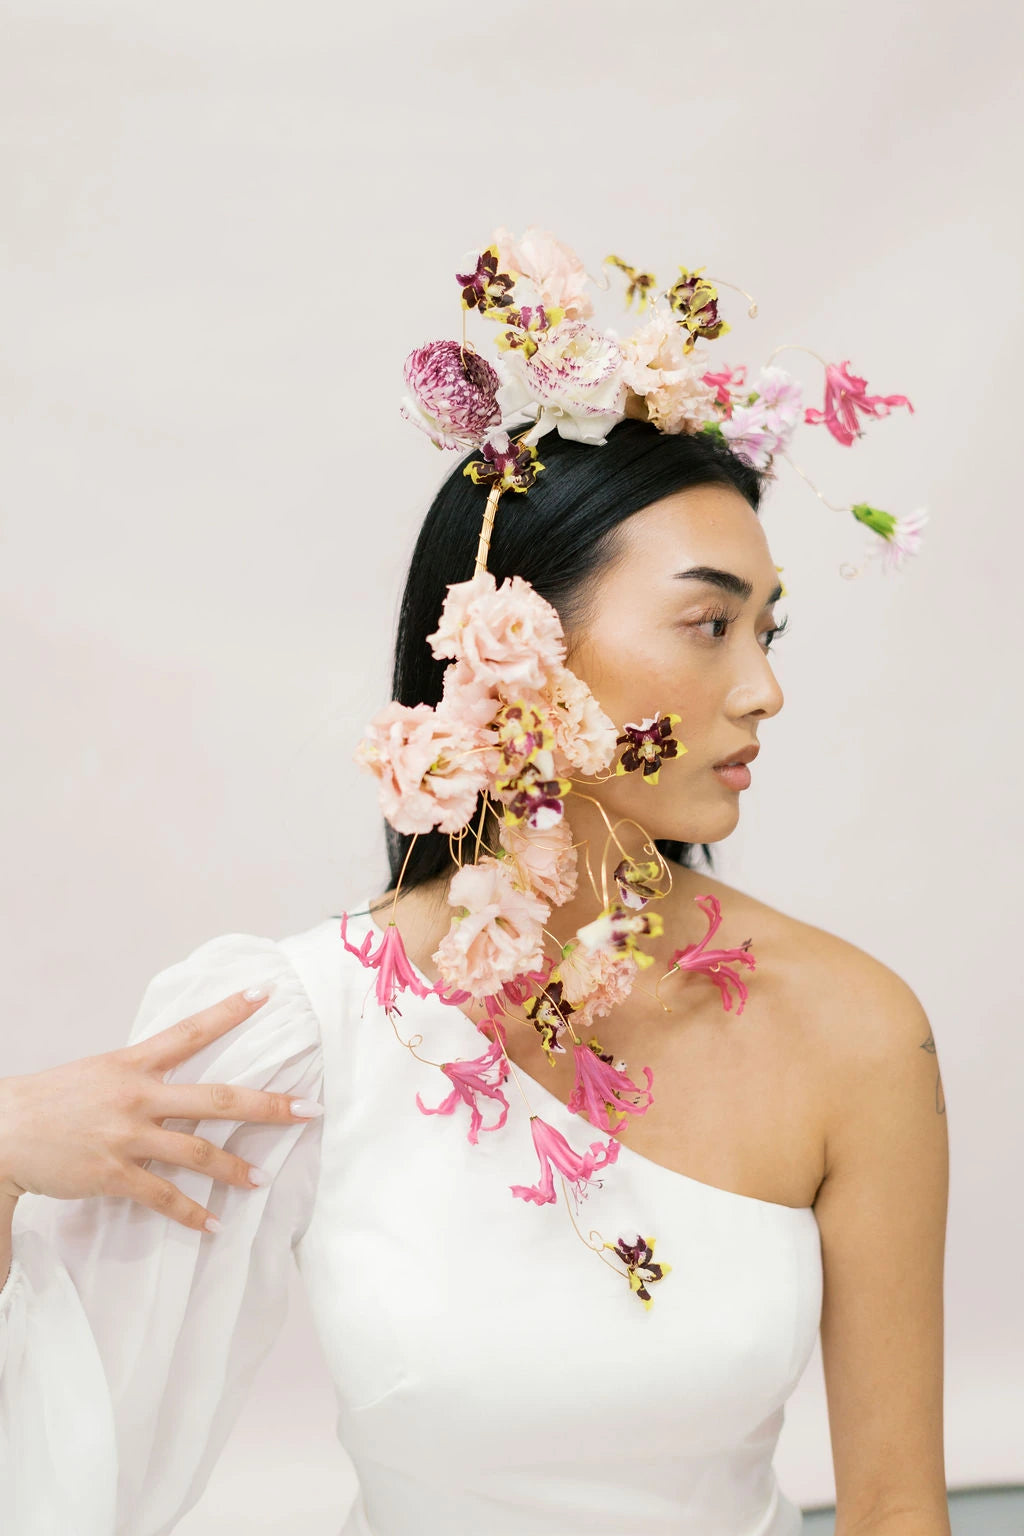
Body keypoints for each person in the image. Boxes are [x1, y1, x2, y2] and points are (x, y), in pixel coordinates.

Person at [0, 237, 950, 1536]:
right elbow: (68, 1451)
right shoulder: (301, 1032)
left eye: (768, 629)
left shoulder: (851, 1027)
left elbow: (898, 1507)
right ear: (520, 638)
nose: (763, 687)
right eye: (709, 622)